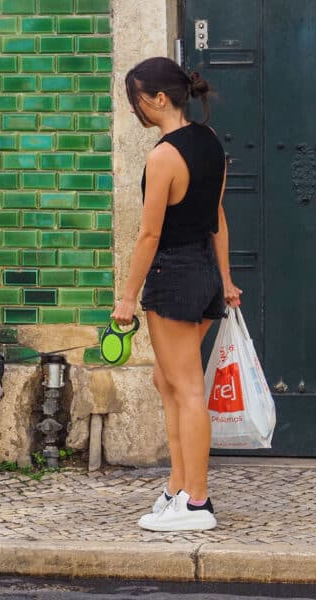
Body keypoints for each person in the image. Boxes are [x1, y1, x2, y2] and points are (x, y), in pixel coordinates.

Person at [111, 57, 241, 532]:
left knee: (186, 388)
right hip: (203, 273)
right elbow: (218, 218)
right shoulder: (209, 143)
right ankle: (177, 487)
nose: (135, 110)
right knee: (165, 382)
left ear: (159, 99)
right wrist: (224, 280)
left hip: (174, 274)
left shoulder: (164, 156)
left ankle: (197, 503)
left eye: (137, 100)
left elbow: (149, 234)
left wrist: (127, 299)